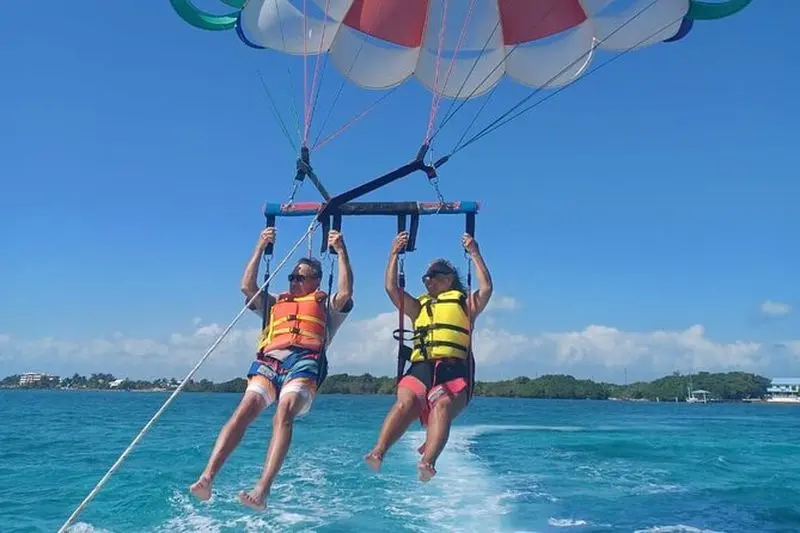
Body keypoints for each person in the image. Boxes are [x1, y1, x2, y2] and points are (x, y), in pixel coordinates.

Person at [189, 226, 354, 511]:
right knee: (245, 409)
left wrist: (341, 251)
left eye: (299, 278)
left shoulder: (326, 306)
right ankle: (207, 477)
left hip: (304, 363)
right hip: (268, 363)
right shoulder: (276, 303)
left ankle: (262, 490)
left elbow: (346, 290)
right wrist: (259, 246)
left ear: (315, 280)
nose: (292, 282)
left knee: (284, 411)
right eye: (291, 277)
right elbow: (246, 286)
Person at [364, 230, 492, 481]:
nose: (428, 280)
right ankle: (378, 452)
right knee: (406, 403)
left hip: (453, 369)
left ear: (450, 278)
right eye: (425, 277)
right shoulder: (419, 306)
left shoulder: (465, 305)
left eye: (434, 275)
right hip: (421, 367)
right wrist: (393, 254)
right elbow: (391, 288)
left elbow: (486, 288)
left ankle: (428, 461)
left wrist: (474, 253)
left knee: (442, 404)